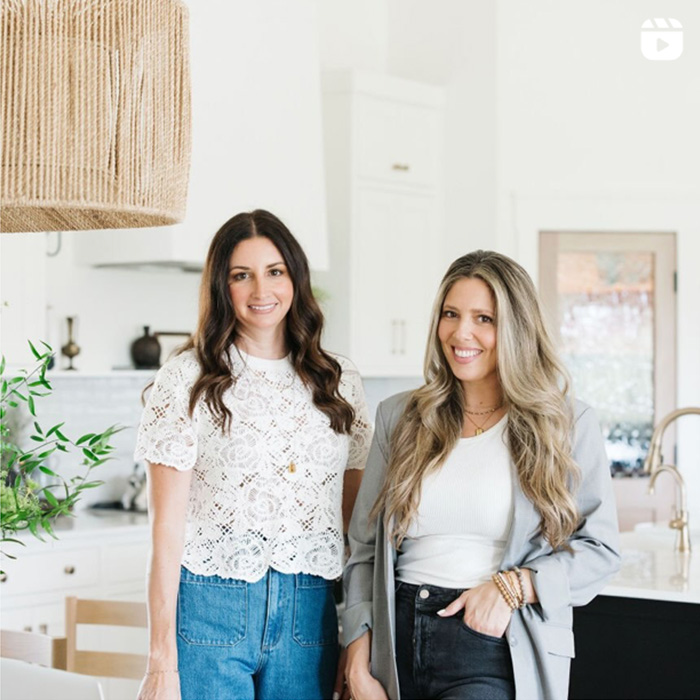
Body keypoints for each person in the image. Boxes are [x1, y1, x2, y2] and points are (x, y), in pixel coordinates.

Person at [342, 250, 621, 700]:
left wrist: (515, 587)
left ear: (516, 329)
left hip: (494, 644)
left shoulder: (564, 424)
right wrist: (357, 659)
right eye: (450, 314)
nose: (461, 332)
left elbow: (600, 550)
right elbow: (365, 552)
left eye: (484, 318)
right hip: (395, 643)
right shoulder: (400, 417)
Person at [134, 210, 372, 700]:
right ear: (222, 287)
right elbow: (166, 528)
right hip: (210, 608)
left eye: (275, 271)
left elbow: (357, 531)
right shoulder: (186, 379)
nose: (261, 290)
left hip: (311, 612)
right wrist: (160, 660)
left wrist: (358, 638)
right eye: (241, 275)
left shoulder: (338, 381)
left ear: (295, 278)